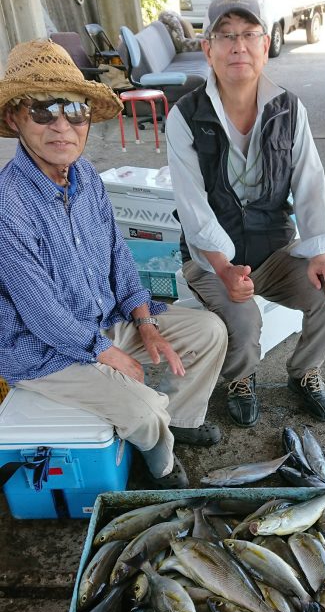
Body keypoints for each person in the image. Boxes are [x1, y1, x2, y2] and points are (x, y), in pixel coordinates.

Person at [0, 38, 228, 489]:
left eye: (74, 110)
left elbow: (117, 255)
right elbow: (42, 313)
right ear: (14, 118)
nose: (61, 125)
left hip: (107, 320)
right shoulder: (7, 204)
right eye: (42, 110)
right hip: (43, 351)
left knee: (210, 331)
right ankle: (159, 461)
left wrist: (143, 320)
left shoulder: (85, 175)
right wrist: (109, 355)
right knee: (144, 410)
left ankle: (178, 421)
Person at [166, 0, 325, 428]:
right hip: (212, 262)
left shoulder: (288, 108)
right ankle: (240, 379)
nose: (238, 47)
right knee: (244, 324)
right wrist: (223, 267)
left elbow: (309, 183)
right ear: (208, 49)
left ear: (265, 46)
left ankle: (304, 372)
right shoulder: (184, 116)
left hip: (275, 252)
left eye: (249, 34)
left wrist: (319, 254)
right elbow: (192, 207)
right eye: (225, 36)